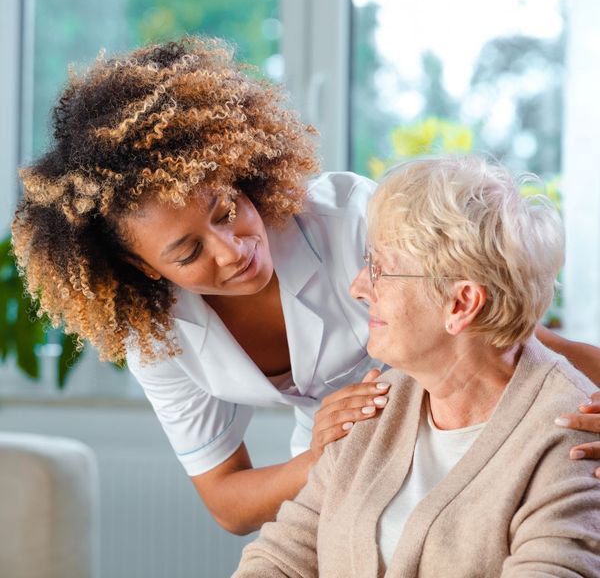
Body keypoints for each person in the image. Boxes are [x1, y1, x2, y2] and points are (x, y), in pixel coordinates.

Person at [11, 38, 600, 536]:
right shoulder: (157, 334)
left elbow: (507, 332)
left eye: (226, 209)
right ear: (144, 269)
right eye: (188, 252)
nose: (233, 250)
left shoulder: (351, 221)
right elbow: (229, 502)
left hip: (471, 431)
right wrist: (322, 456)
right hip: (343, 465)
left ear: (239, 171)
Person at [234, 156, 600, 577]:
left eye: (379, 269)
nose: (357, 287)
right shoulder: (373, 407)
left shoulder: (573, 438)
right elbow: (282, 556)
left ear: (461, 304)